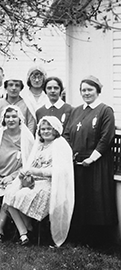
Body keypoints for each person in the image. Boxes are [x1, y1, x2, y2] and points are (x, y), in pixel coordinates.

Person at [4, 116, 74, 246]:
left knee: (20, 195)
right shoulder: (40, 146)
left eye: (49, 128)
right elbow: (31, 165)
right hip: (34, 183)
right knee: (9, 195)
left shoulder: (60, 145)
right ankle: (25, 233)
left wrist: (35, 171)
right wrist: (24, 174)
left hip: (51, 185)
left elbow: (60, 171)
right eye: (43, 129)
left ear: (55, 130)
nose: (45, 131)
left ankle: (29, 231)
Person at [63, 76, 117, 245]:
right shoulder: (76, 110)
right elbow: (66, 134)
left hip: (97, 163)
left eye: (90, 90)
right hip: (77, 163)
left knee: (97, 200)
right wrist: (69, 153)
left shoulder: (105, 110)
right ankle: (80, 238)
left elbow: (106, 137)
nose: (86, 93)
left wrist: (92, 158)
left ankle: (99, 241)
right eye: (83, 90)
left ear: (98, 91)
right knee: (80, 199)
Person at [0, 105, 34, 240]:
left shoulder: (26, 137)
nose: (10, 119)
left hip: (17, 178)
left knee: (7, 197)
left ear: (20, 118)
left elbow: (28, 163)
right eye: (7, 117)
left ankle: (0, 229)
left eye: (14, 116)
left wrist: (12, 177)